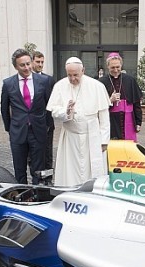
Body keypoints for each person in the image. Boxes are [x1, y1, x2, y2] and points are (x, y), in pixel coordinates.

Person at [46, 57, 111, 186]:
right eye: (69, 75)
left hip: (92, 136)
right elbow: (53, 111)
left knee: (93, 172)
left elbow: (104, 117)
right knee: (70, 172)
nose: (72, 79)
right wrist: (66, 111)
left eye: (75, 75)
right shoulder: (60, 86)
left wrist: (104, 140)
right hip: (70, 137)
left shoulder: (97, 86)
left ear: (83, 71)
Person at [1, 49, 53, 184]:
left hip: (38, 130)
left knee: (38, 168)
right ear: (15, 66)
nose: (26, 68)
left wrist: (46, 125)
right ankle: (22, 194)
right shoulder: (8, 84)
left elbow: (49, 106)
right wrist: (10, 128)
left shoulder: (44, 81)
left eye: (28, 64)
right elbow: (4, 108)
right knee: (19, 168)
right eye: (22, 65)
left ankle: (37, 194)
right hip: (18, 132)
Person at [100, 53, 143, 141]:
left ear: (121, 66)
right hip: (110, 120)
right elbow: (97, 105)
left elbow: (136, 103)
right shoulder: (101, 82)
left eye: (118, 67)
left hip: (128, 119)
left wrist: (138, 122)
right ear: (108, 67)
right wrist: (110, 100)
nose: (115, 70)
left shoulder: (130, 80)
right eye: (112, 67)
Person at [32, 50, 55, 184]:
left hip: (47, 123)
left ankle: (48, 178)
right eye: (38, 62)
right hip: (31, 123)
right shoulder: (26, 79)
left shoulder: (48, 80)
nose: (40, 64)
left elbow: (51, 102)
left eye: (42, 62)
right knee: (34, 154)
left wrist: (48, 123)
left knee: (47, 153)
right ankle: (36, 176)